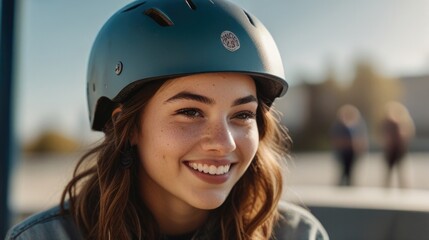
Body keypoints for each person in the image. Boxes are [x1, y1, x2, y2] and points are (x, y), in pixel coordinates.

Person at [6, 0, 329, 239]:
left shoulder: (298, 235)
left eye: (242, 114)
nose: (224, 142)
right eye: (190, 112)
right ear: (126, 127)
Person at [380, 101, 415, 188]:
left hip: (399, 149)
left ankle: (402, 186)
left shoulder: (403, 123)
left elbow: (408, 134)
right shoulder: (388, 123)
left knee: (400, 169)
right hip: (391, 149)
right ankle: (387, 186)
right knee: (390, 169)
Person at [331, 104, 368, 186]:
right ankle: (342, 185)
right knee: (344, 170)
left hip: (352, 152)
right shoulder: (339, 126)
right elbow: (336, 139)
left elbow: (360, 138)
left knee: (349, 170)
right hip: (343, 152)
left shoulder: (356, 126)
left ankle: (348, 184)